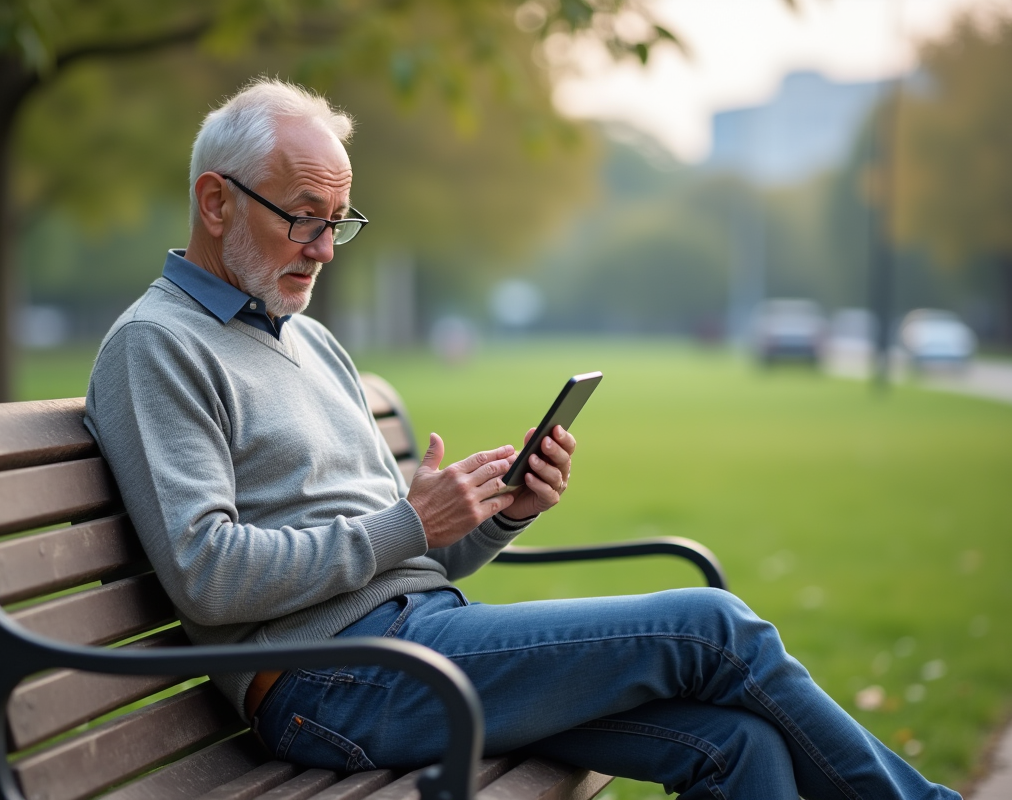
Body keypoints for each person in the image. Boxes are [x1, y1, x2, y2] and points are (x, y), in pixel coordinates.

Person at [84, 78, 959, 800]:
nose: (325, 249)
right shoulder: (155, 346)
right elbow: (207, 575)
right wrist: (411, 525)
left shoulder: (307, 338)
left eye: (340, 221)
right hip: (330, 684)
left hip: (415, 647)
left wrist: (491, 520)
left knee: (736, 746)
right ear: (213, 200)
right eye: (304, 216)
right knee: (715, 630)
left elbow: (406, 563)